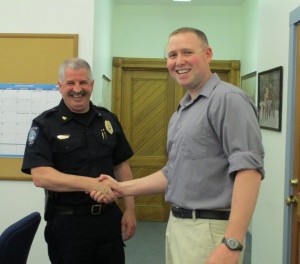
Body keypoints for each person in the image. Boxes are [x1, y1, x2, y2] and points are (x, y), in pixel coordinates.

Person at [91, 27, 264, 264]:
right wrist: (121, 188)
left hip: (209, 230)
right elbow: (173, 173)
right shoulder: (183, 110)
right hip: (180, 226)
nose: (179, 61)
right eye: (172, 55)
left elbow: (249, 171)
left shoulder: (228, 99)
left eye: (187, 52)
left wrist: (232, 241)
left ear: (208, 54)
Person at [21, 58, 136, 264]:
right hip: (68, 225)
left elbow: (121, 165)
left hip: (108, 220)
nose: (77, 89)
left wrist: (130, 210)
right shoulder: (45, 124)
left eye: (83, 83)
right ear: (60, 86)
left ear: (91, 85)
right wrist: (90, 184)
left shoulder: (108, 120)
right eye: (70, 83)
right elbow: (41, 176)